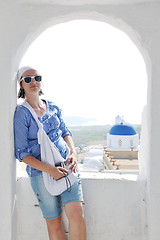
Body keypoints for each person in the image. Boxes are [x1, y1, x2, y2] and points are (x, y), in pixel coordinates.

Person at [14, 66, 86, 240]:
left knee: (76, 215)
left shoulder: (52, 106)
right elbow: (22, 153)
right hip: (41, 174)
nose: (33, 82)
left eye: (37, 78)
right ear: (21, 85)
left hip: (66, 165)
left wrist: (73, 154)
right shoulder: (21, 114)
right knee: (54, 223)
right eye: (28, 79)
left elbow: (65, 132)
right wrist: (50, 170)